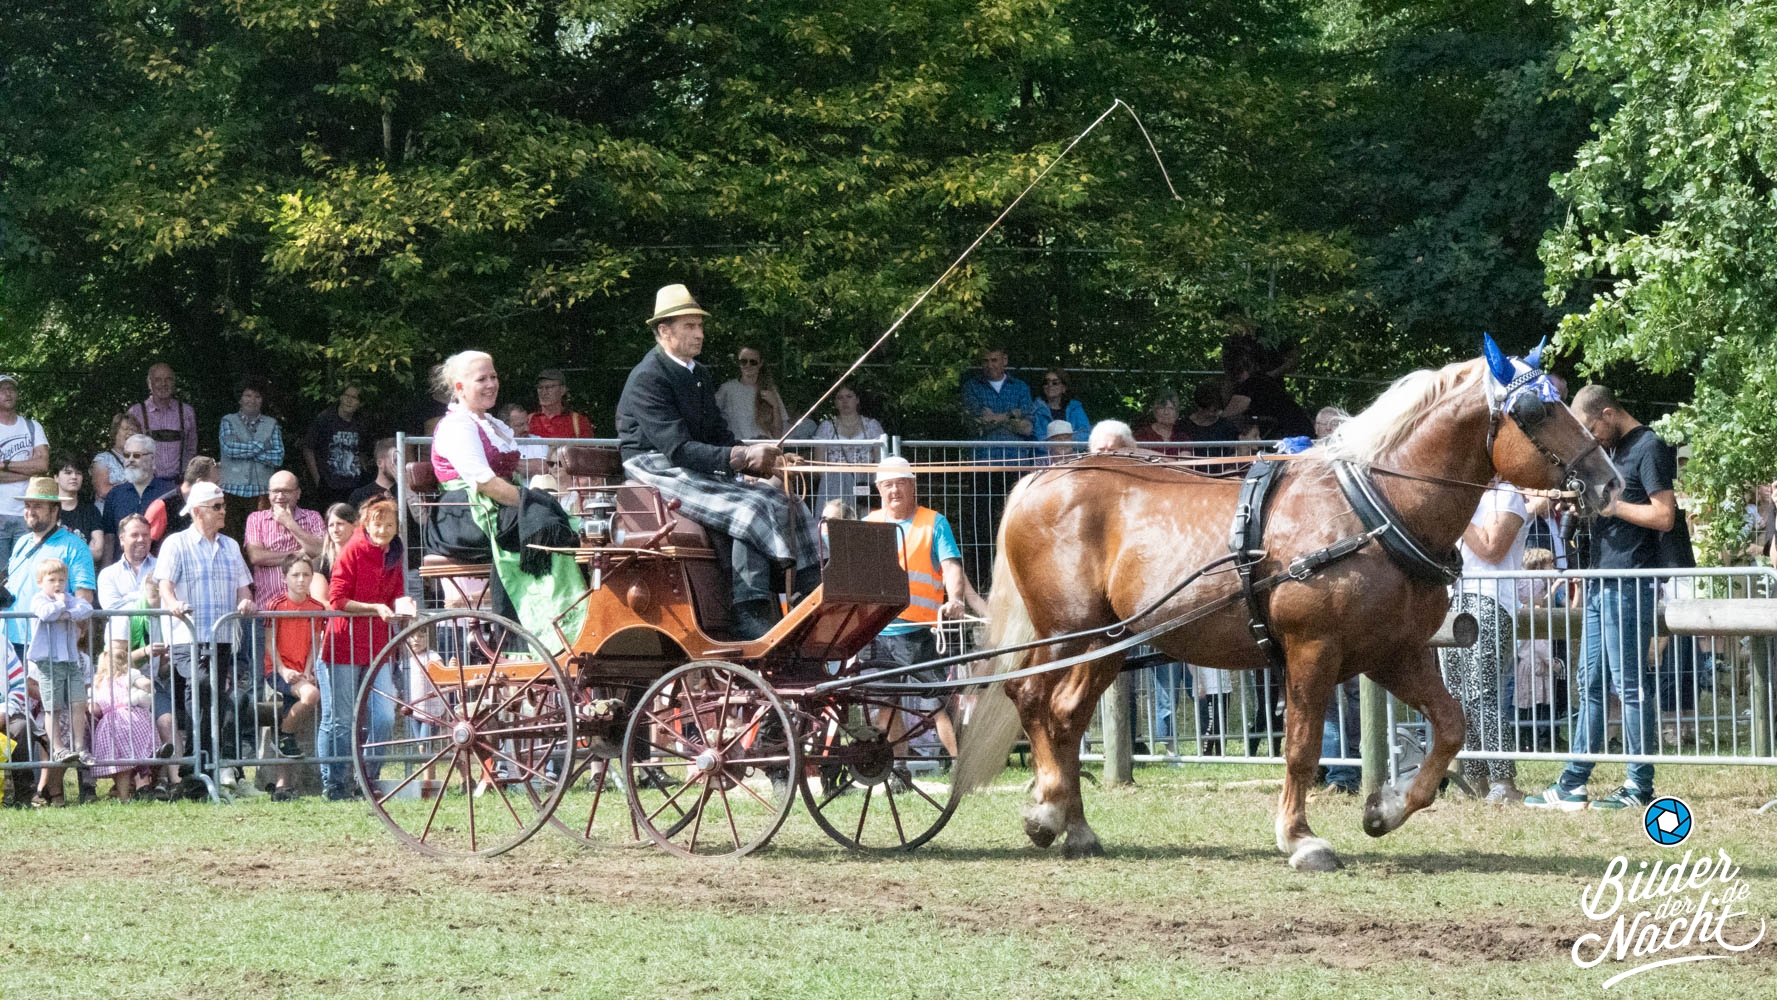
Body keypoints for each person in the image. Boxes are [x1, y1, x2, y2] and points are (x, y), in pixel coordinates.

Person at [616, 286, 820, 641]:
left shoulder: (698, 373)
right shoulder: (648, 377)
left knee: (785, 500)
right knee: (748, 506)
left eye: (700, 326)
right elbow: (678, 448)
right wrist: (741, 458)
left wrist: (763, 460)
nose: (699, 334)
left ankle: (810, 590)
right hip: (652, 466)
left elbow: (717, 433)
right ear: (664, 331)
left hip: (687, 462)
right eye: (690, 326)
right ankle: (748, 609)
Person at [1527, 386, 1675, 812]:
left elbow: (1664, 515)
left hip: (1629, 582)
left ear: (1608, 413)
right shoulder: (1610, 452)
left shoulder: (1649, 447)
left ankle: (1639, 785)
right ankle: (1572, 783)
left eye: (1591, 428)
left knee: (1629, 685)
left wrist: (1611, 507)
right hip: (1599, 579)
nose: (1590, 438)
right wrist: (1582, 505)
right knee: (1588, 683)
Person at [431, 351, 587, 646]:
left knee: (568, 523)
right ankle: (548, 628)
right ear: (460, 387)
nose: (491, 384)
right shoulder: (458, 426)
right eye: (482, 379)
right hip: (466, 514)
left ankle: (573, 615)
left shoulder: (491, 425)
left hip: (493, 506)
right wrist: (535, 503)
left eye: (493, 376)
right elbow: (486, 484)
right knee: (547, 525)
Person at [862, 457, 989, 761]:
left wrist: (955, 599)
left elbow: (951, 567)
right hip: (877, 632)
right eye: (888, 484)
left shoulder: (934, 522)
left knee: (937, 705)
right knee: (886, 705)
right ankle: (898, 767)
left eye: (900, 483)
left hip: (920, 632)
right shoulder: (868, 525)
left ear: (912, 486)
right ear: (879, 489)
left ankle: (962, 764)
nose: (894, 490)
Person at [155, 480, 257, 796]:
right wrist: (173, 604)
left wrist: (246, 602)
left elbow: (243, 587)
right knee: (200, 684)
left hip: (221, 635)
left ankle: (203, 763)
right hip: (187, 634)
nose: (224, 511)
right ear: (198, 511)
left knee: (216, 695)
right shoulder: (176, 543)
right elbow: (164, 585)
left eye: (223, 505)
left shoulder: (230, 546)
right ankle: (197, 758)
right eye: (217, 506)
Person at [1441, 477, 1528, 804]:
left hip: (1490, 599)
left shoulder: (1507, 495)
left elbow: (1491, 549)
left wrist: (1456, 512)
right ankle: (1474, 777)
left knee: (1481, 693)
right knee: (1456, 695)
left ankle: (1503, 780)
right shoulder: (1467, 496)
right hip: (1453, 598)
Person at [320, 496, 413, 800]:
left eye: (389, 525)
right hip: (344, 643)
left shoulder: (394, 552)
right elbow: (337, 599)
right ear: (366, 524)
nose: (383, 530)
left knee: (384, 716)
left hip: (378, 646)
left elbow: (397, 593)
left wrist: (404, 607)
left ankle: (367, 778)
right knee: (342, 719)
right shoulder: (353, 549)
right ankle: (337, 782)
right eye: (378, 524)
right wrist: (374, 607)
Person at [97, 514, 176, 794]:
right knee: (123, 721)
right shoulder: (108, 575)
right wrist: (147, 598)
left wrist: (145, 600)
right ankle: (129, 783)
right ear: (121, 540)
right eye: (134, 535)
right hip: (120, 676)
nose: (141, 540)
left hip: (157, 672)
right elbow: (114, 609)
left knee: (166, 720)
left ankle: (170, 781)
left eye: (145, 534)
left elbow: (167, 601)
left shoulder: (164, 567)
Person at [960, 347, 1035, 585]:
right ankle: (984, 580)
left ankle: (1018, 580)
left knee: (1016, 521)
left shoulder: (1020, 387)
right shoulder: (972, 387)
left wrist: (996, 417)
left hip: (1015, 464)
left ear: (1005, 360)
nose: (990, 365)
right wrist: (1012, 415)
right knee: (982, 524)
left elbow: (1027, 428)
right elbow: (977, 425)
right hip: (983, 464)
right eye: (985, 360)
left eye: (994, 360)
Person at [262, 556, 323, 800]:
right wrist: (283, 670)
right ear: (285, 578)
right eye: (295, 575)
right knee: (311, 695)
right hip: (278, 671)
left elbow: (315, 641)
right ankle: (284, 736)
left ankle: (282, 786)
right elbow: (270, 642)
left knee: (291, 718)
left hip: (302, 672)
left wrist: (309, 669)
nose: (301, 580)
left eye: (306, 575)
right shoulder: (275, 605)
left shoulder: (317, 607)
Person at [29, 557, 94, 768]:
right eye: (52, 580)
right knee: (53, 706)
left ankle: (79, 747)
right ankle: (58, 748)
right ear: (41, 582)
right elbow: (46, 613)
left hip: (70, 658)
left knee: (78, 701)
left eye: (62, 580)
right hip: (48, 661)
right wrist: (60, 606)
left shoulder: (68, 599)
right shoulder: (39, 599)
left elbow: (86, 608)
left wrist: (66, 611)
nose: (58, 584)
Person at [88, 644, 157, 802]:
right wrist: (143, 691)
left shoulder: (98, 683)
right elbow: (147, 684)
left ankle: (124, 797)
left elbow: (94, 709)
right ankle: (143, 785)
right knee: (140, 755)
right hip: (132, 718)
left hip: (110, 724)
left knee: (121, 765)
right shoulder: (129, 676)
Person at [218, 378, 285, 541]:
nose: (252, 400)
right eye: (248, 396)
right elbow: (229, 449)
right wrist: (262, 446)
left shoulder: (272, 424)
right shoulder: (228, 421)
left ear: (262, 400)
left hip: (262, 492)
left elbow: (278, 457)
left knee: (261, 538)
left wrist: (246, 450)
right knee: (230, 537)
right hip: (231, 490)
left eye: (257, 396)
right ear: (240, 399)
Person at [1220, 336, 1313, 440]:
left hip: (1292, 435)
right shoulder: (1262, 381)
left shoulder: (1251, 385)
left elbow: (1227, 414)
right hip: (1296, 431)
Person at [0, 373, 51, 560]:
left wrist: (5, 465)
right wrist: (29, 470)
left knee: (26, 568)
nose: (8, 393)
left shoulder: (32, 426)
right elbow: (36, 467)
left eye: (11, 389)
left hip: (28, 512)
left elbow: (43, 464)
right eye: (2, 390)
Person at [99, 434, 174, 558]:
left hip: (160, 565)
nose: (130, 460)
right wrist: (106, 567)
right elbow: (109, 538)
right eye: (127, 455)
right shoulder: (115, 494)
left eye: (137, 455)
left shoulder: (170, 493)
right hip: (122, 566)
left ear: (152, 459)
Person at [813, 385, 884, 513]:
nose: (845, 401)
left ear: (857, 400)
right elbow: (818, 465)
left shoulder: (872, 426)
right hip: (834, 486)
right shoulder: (826, 428)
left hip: (864, 483)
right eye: (840, 398)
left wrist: (875, 485)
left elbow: (880, 461)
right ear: (835, 403)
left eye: (849, 396)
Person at [129, 363, 197, 484]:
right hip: (146, 484)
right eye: (158, 380)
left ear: (174, 383)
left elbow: (191, 448)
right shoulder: (136, 412)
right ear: (150, 384)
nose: (163, 384)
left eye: (168, 379)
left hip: (179, 483)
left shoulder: (186, 412)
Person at [715, 345, 798, 440]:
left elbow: (778, 433)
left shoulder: (769, 389)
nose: (748, 365)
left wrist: (775, 406)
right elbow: (713, 419)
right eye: (743, 361)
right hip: (737, 446)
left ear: (760, 363)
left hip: (764, 445)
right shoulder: (726, 389)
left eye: (753, 362)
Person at [304, 384, 367, 506]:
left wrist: (364, 474)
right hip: (329, 485)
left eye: (354, 398)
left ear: (360, 403)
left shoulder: (361, 422)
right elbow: (308, 448)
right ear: (341, 397)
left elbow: (362, 451)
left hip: (354, 485)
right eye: (346, 396)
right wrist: (317, 478)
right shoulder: (325, 419)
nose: (349, 400)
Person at [52, 455, 103, 564]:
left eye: (78, 473)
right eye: (68, 473)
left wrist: (59, 553)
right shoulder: (48, 510)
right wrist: (83, 551)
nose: (74, 477)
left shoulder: (91, 511)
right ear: (56, 477)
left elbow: (97, 552)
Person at [90, 411, 145, 511]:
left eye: (133, 430)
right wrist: (134, 487)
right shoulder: (103, 459)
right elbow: (103, 491)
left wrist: (117, 487)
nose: (130, 432)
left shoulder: (143, 460)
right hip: (110, 514)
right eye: (126, 429)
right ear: (115, 432)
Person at [309, 503, 358, 603]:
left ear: (354, 526)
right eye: (331, 525)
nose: (335, 530)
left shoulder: (366, 560)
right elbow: (321, 602)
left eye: (340, 524)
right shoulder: (319, 564)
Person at [529, 368, 595, 439]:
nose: (544, 392)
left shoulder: (579, 422)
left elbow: (588, 446)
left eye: (549, 387)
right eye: (540, 387)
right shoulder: (528, 421)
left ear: (562, 390)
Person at [1033, 369, 1090, 442]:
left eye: (1055, 383)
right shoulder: (1036, 409)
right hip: (1045, 449)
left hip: (1072, 449)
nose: (1050, 385)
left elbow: (1086, 433)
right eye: (1046, 382)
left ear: (1064, 388)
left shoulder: (1075, 407)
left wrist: (1065, 439)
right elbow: (1036, 437)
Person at [1134, 387, 1193, 455]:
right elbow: (1139, 458)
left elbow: (1184, 461)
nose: (1166, 412)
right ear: (1155, 411)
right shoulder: (1143, 434)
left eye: (1171, 408)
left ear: (1177, 413)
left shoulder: (1181, 438)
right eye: (1162, 408)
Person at [347, 438, 398, 508]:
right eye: (395, 461)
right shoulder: (359, 496)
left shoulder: (407, 493)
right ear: (380, 463)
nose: (400, 465)